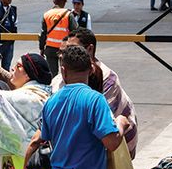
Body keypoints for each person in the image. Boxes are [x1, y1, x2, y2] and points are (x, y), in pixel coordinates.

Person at [52, 28, 138, 159]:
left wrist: (120, 123)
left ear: (90, 49)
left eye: (73, 49)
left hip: (111, 151)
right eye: (64, 51)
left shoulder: (107, 80)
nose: (65, 55)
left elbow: (109, 137)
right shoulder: (58, 82)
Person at [39, 0, 77, 78]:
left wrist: (41, 48)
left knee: (53, 75)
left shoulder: (47, 14)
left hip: (50, 49)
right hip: (65, 49)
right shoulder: (68, 14)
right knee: (66, 73)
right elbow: (75, 32)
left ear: (54, 1)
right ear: (65, 2)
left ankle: (53, 90)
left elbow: (43, 33)